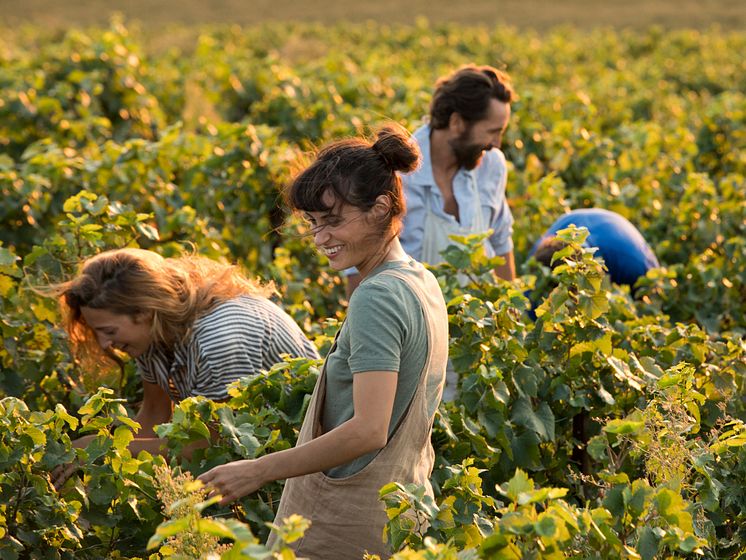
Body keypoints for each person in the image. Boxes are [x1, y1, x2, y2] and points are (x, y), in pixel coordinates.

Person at [198, 125, 449, 560]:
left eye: (334, 221)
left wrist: (257, 470)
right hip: (400, 508)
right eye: (314, 224)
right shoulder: (420, 280)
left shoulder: (378, 295)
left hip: (349, 521)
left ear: (381, 207)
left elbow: (370, 429)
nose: (320, 239)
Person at [50, 248, 319, 485]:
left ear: (143, 311)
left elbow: (214, 445)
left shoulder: (219, 338)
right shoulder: (152, 334)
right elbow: (154, 416)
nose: (104, 343)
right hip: (262, 464)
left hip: (309, 465)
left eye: (108, 330)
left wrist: (105, 449)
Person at [345, 64, 516, 295]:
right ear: (457, 123)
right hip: (414, 324)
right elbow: (359, 266)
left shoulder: (492, 165)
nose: (496, 143)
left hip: (479, 322)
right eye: (492, 132)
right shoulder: (393, 173)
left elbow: (501, 243)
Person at [530, 208, 659, 288]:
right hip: (590, 221)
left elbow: (654, 293)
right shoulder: (540, 259)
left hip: (622, 242)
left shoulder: (634, 264)